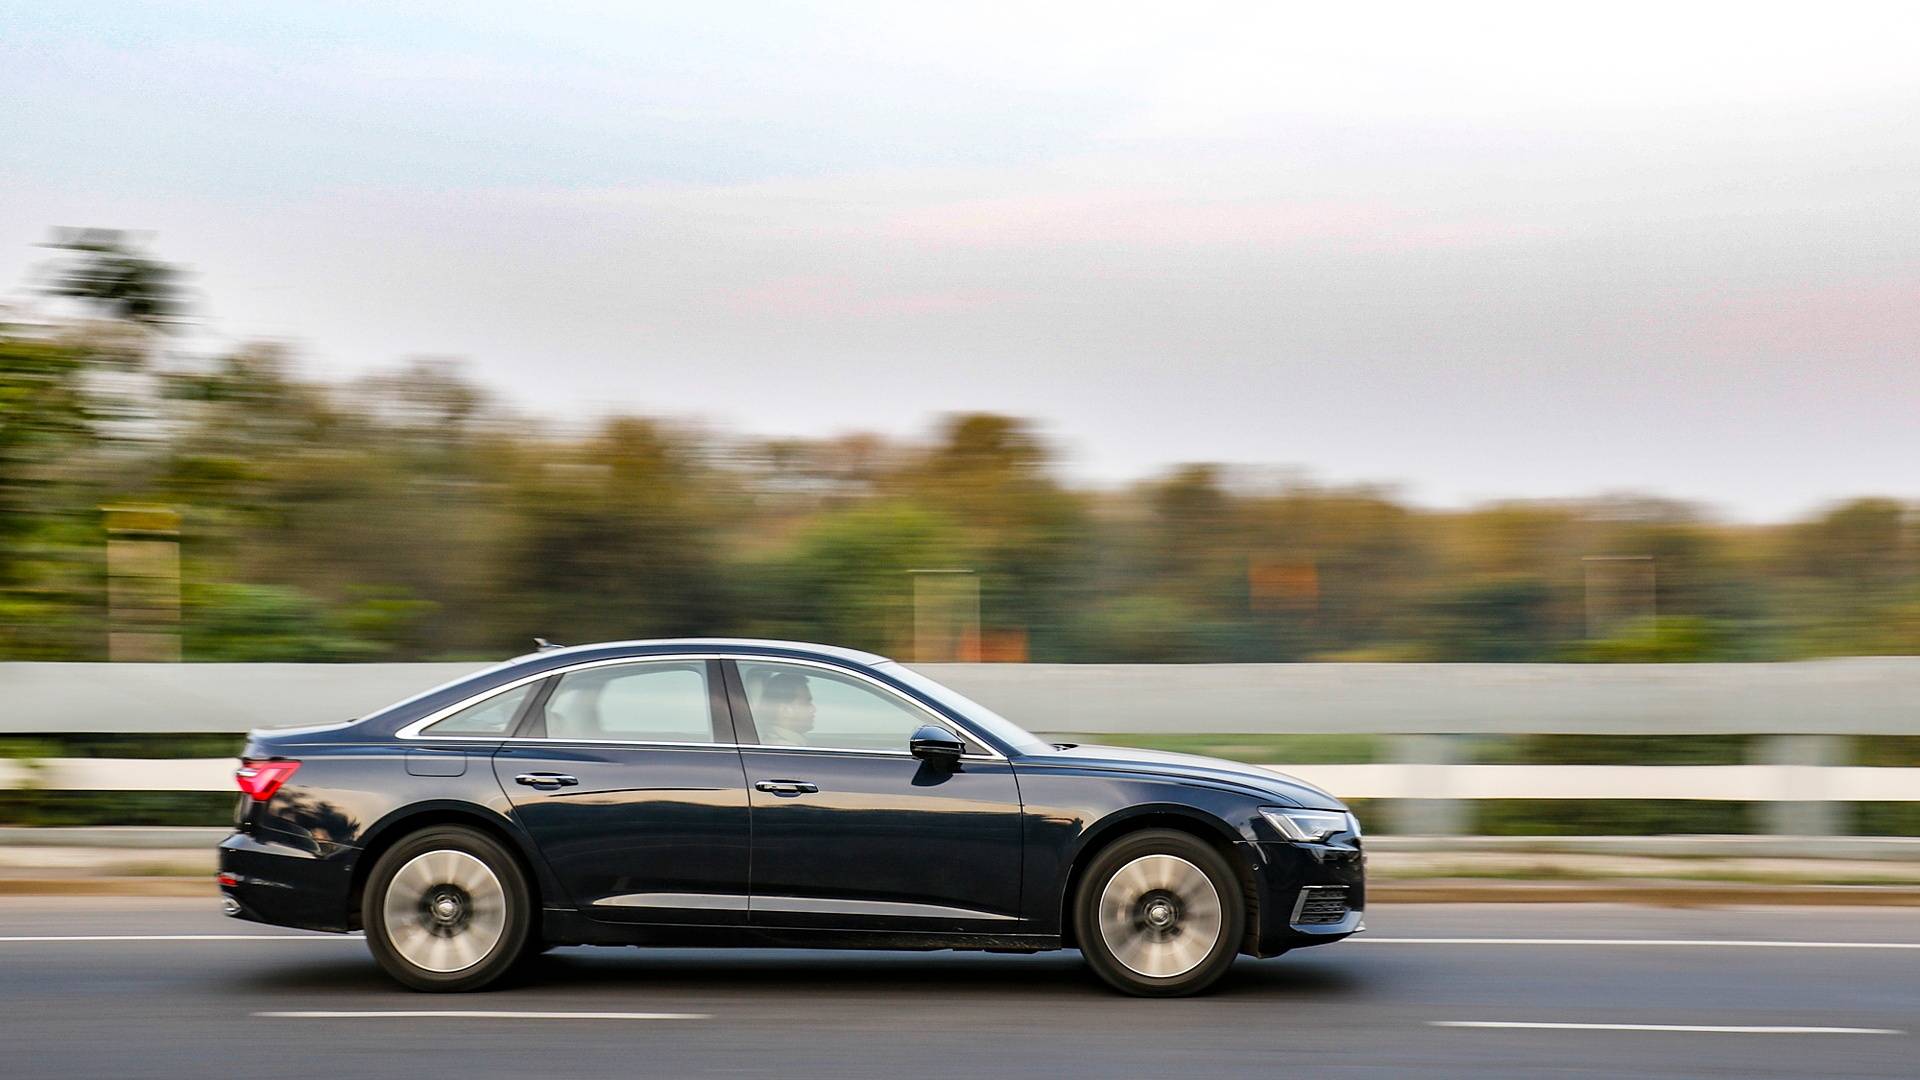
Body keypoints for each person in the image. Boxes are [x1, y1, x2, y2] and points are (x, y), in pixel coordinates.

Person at [756, 670, 816, 745]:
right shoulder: (786, 748)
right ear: (785, 710)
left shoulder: (787, 743)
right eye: (806, 703)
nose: (813, 709)